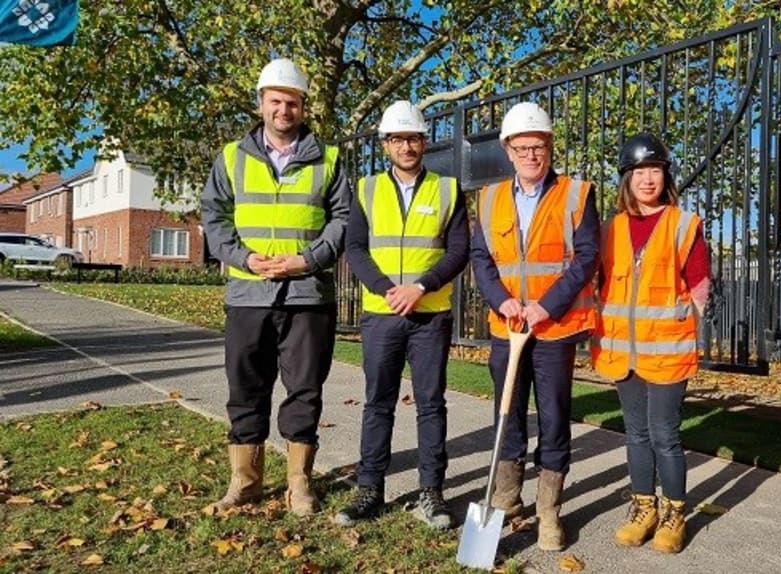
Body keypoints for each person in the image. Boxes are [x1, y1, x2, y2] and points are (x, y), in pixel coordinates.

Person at [200, 57, 351, 516]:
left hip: (307, 295)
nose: (284, 110)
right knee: (246, 387)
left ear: (304, 107)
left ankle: (299, 483)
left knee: (304, 389)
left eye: (293, 102)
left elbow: (344, 220)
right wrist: (244, 257)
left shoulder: (328, 159)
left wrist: (307, 260)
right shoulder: (231, 157)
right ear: (261, 104)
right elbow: (213, 216)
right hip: (248, 293)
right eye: (276, 101)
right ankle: (244, 482)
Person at [334, 100, 469, 530]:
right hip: (381, 313)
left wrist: (421, 287)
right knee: (379, 403)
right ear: (386, 144)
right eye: (397, 139)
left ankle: (432, 491)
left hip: (430, 314)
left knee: (431, 405)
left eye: (412, 138)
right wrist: (387, 290)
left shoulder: (448, 189)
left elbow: (459, 250)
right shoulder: (367, 189)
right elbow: (354, 247)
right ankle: (370, 488)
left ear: (424, 141)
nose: (406, 146)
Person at [471, 101, 600, 550]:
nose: (531, 155)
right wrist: (502, 300)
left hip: (554, 328)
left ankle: (549, 511)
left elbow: (586, 258)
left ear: (549, 147)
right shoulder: (488, 199)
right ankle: (507, 498)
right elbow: (481, 259)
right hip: (506, 324)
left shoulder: (576, 194)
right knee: (506, 415)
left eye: (538, 146)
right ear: (508, 150)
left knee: (553, 415)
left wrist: (547, 306)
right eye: (522, 147)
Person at [592, 133, 710, 553]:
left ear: (666, 176)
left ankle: (674, 512)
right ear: (627, 179)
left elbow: (698, 286)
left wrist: (684, 326)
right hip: (623, 352)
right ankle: (644, 507)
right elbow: (602, 284)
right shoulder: (610, 228)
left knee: (665, 434)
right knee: (636, 434)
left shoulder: (682, 224)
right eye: (639, 172)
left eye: (655, 171)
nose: (647, 179)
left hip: (668, 352)